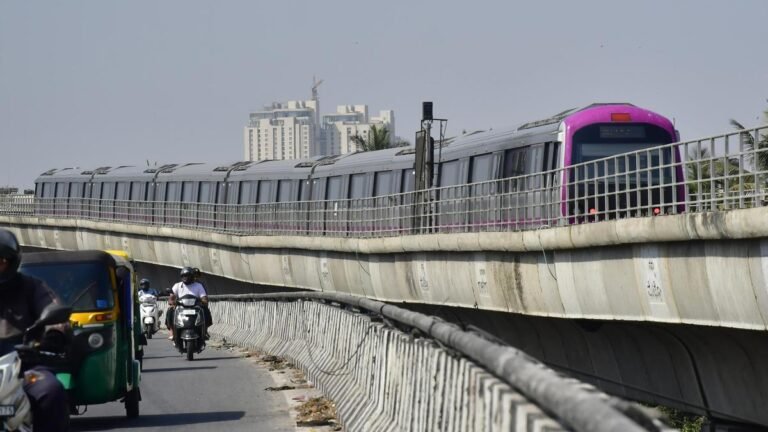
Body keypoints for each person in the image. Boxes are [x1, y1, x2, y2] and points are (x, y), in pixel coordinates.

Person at [0, 228, 69, 432]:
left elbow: (50, 307)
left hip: (25, 366)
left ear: (12, 261)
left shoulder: (31, 286)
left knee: (50, 390)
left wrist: (55, 333)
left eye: (1, 260)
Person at [169, 267, 210, 340]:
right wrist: (172, 303)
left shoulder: (198, 285)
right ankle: (172, 332)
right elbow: (172, 297)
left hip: (195, 307)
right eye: (184, 276)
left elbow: (204, 297)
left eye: (187, 275)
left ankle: (205, 331)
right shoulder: (177, 285)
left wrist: (204, 301)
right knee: (170, 311)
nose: (185, 277)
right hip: (181, 307)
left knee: (206, 310)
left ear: (192, 276)